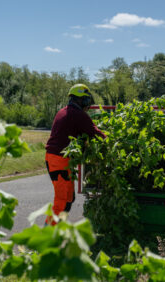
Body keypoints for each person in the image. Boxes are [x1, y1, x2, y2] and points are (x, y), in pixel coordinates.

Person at [45, 84, 106, 225]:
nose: (88, 104)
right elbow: (94, 133)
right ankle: (48, 236)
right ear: (81, 100)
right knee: (61, 200)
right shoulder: (78, 114)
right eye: (86, 100)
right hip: (58, 160)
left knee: (69, 197)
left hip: (57, 159)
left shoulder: (64, 111)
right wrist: (110, 140)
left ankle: (59, 227)